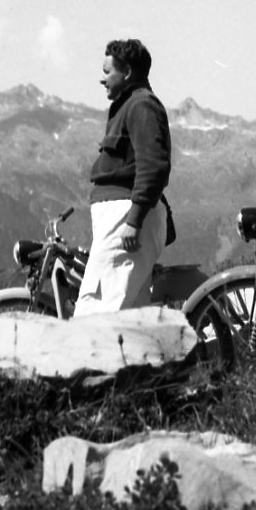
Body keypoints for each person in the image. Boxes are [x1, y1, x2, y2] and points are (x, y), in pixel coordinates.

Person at [72, 38, 173, 316]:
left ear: (127, 72)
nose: (102, 80)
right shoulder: (129, 105)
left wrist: (134, 220)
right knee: (128, 320)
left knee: (96, 314)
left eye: (107, 72)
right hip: (121, 218)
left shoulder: (141, 105)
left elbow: (154, 166)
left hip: (125, 218)